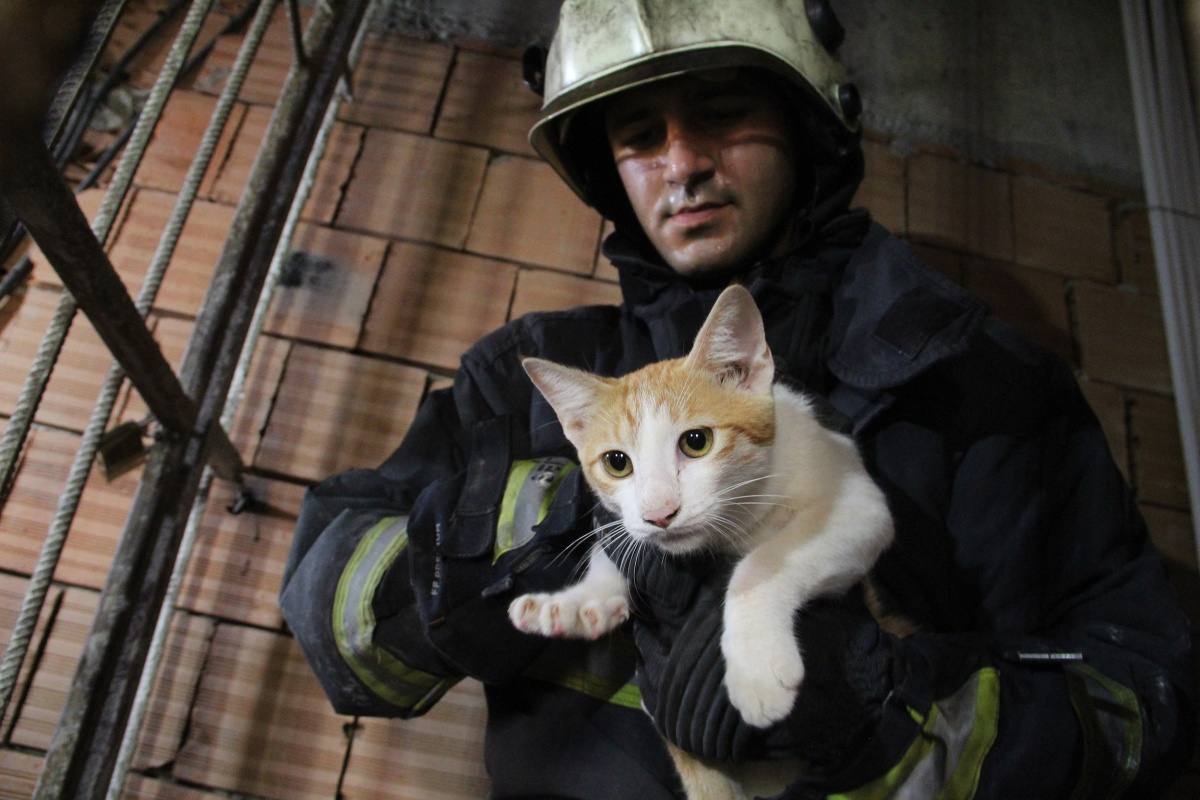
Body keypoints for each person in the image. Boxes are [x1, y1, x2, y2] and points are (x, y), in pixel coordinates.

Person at [280, 0, 1197, 797]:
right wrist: (498, 541)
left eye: (722, 113)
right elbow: (337, 611)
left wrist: (878, 711)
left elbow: (1145, 698)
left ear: (807, 124)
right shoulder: (534, 371)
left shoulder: (975, 383)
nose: (682, 164)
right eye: (638, 136)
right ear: (608, 170)